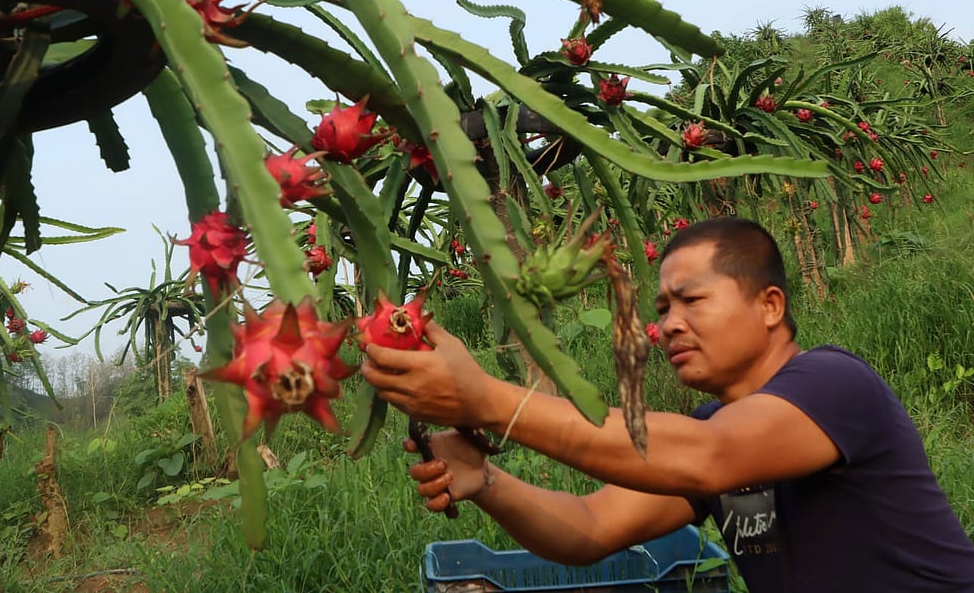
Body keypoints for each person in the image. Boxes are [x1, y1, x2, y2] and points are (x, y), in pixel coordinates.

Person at [362, 217, 974, 592]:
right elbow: (592, 528)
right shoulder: (711, 429)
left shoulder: (834, 384)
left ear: (770, 306)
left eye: (692, 301)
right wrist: (487, 480)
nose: (669, 326)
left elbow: (710, 457)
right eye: (661, 310)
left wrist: (489, 401)